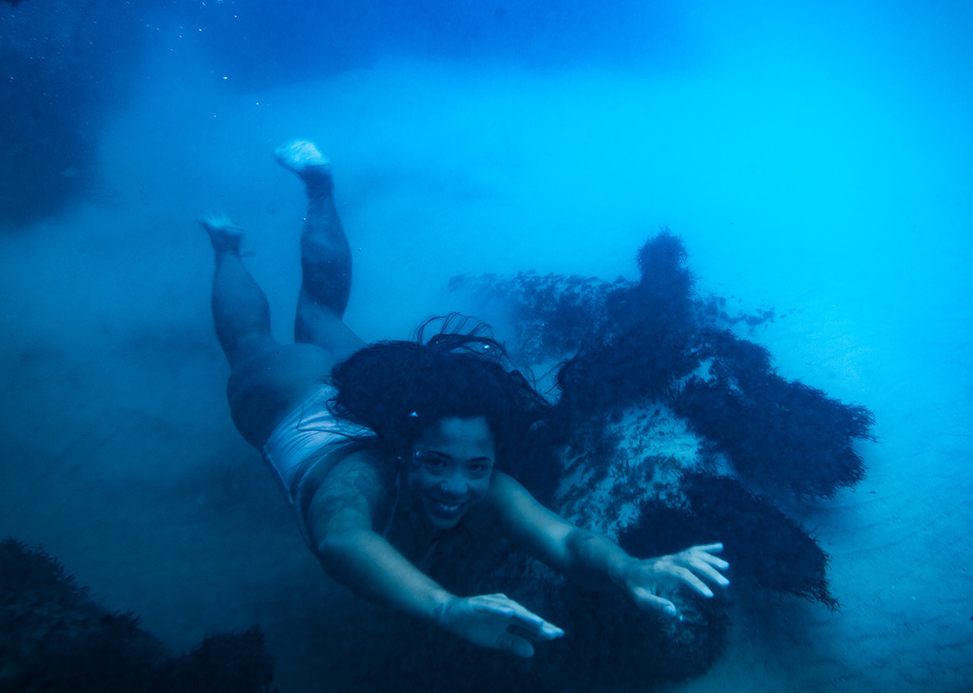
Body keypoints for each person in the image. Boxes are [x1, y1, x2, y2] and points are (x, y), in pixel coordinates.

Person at [200, 139, 730, 659]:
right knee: (252, 343)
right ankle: (226, 244)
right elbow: (341, 539)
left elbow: (566, 542)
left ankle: (319, 187)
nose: (456, 487)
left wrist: (629, 569)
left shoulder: (480, 479)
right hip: (293, 394)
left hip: (352, 379)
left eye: (476, 466)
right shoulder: (357, 479)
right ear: (404, 446)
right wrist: (445, 608)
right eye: (435, 463)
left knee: (319, 314)